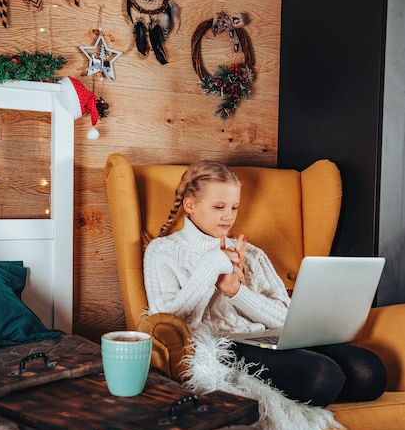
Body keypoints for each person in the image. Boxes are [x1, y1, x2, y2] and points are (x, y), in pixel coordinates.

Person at [143, 160, 387, 407]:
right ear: (190, 205)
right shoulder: (162, 251)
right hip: (222, 346)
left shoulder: (252, 254)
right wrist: (210, 267)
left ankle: (314, 386)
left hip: (268, 339)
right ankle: (314, 385)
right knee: (322, 375)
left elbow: (286, 319)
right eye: (219, 207)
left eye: (234, 207)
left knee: (371, 372)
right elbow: (166, 322)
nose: (228, 216)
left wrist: (237, 292)